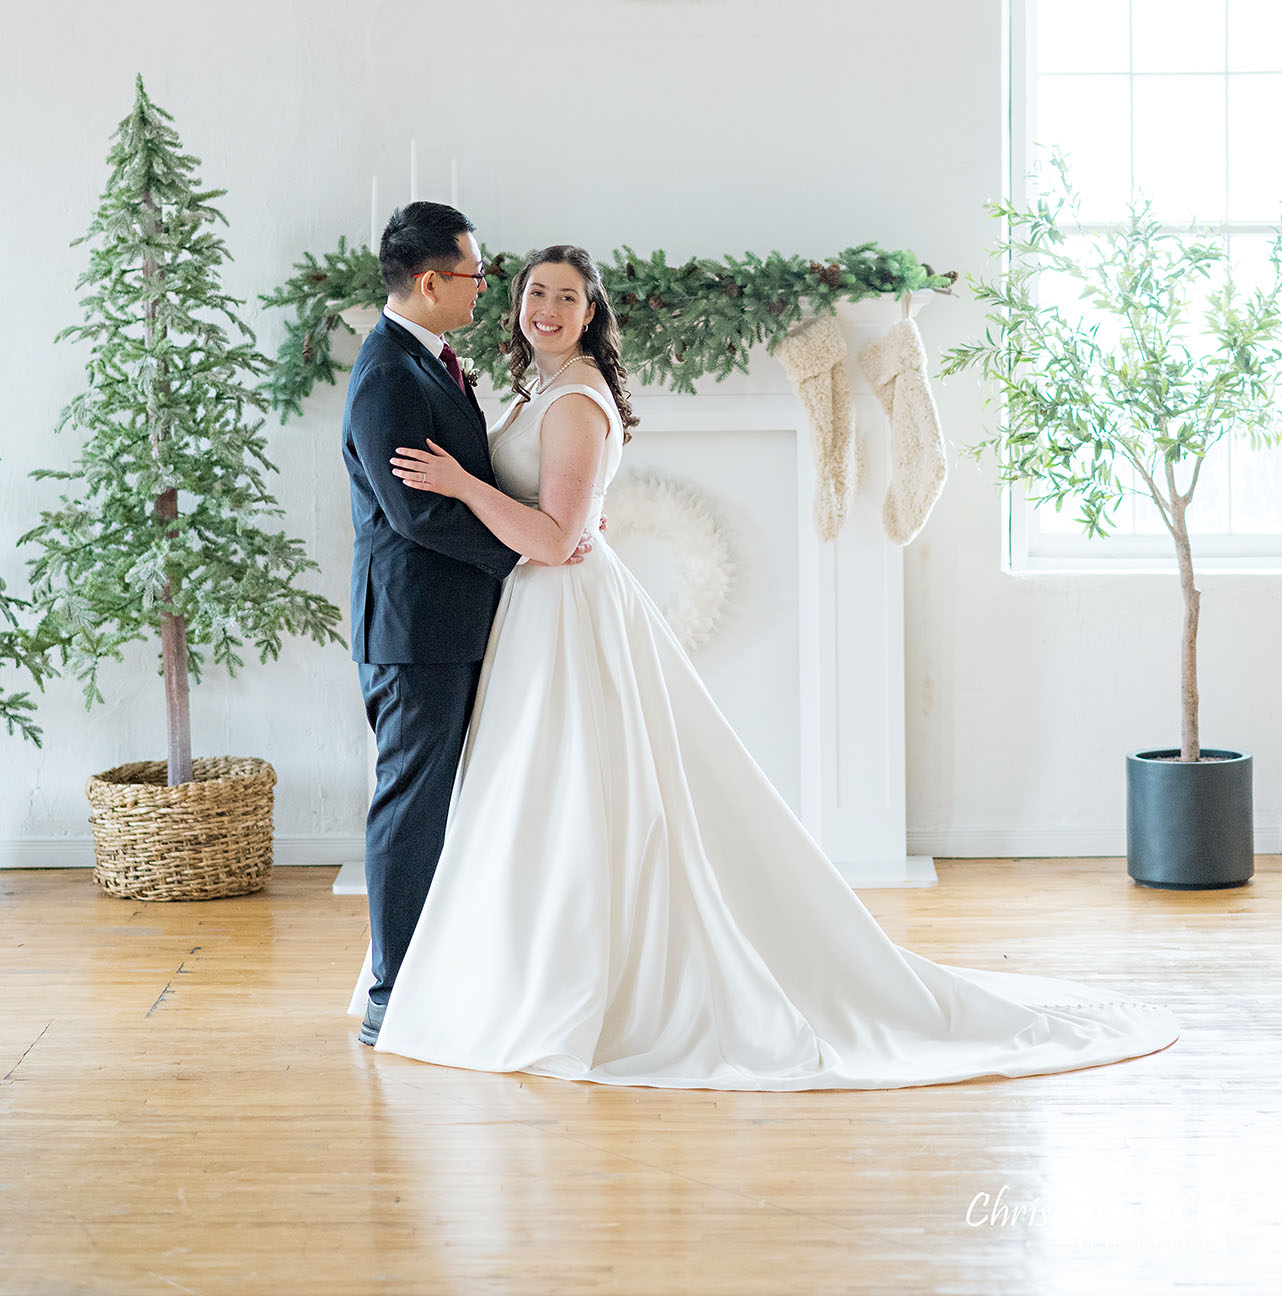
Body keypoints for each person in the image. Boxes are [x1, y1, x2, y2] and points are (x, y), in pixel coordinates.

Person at [352, 244, 1178, 1089]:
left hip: (565, 604)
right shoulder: (536, 388)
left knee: (577, 796)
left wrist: (460, 483)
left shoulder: (575, 400)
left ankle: (575, 984)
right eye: (534, 293)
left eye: (567, 297)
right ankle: (504, 971)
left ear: (592, 314)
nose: (546, 309)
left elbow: (559, 540)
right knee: (536, 798)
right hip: (538, 614)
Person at [340, 203, 593, 1048]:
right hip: (416, 629)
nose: (487, 291)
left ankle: (438, 968)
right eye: (477, 276)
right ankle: (393, 989)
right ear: (430, 281)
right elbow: (415, 514)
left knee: (450, 801)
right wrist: (524, 558)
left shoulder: (437, 362)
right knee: (411, 805)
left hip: (457, 621)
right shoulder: (386, 374)